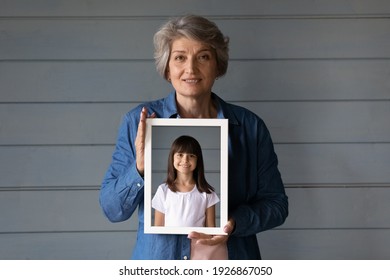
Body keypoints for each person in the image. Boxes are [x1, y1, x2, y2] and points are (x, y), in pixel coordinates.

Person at [100, 14, 288, 260]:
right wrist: (139, 168)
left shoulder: (250, 128)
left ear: (217, 66)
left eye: (203, 57)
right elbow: (113, 210)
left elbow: (276, 205)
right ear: (167, 68)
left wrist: (234, 223)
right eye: (180, 57)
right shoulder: (138, 122)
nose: (191, 69)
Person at [152, 135, 219, 228]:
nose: (185, 160)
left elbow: (211, 229)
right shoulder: (163, 190)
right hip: (170, 242)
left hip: (196, 242)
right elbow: (158, 228)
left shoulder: (207, 192)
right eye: (180, 155)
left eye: (191, 156)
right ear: (172, 158)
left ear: (198, 160)